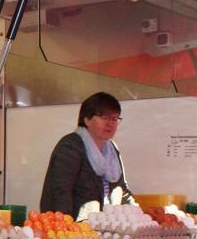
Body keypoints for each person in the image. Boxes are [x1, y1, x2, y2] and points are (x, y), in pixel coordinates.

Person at [39, 91, 134, 220]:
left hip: (106, 227)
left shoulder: (112, 149)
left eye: (114, 119)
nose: (110, 123)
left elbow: (121, 190)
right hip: (78, 230)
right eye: (104, 117)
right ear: (87, 119)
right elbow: (61, 194)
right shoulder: (71, 146)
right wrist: (67, 230)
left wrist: (138, 215)